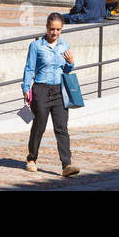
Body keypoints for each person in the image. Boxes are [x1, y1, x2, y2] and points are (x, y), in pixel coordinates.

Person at [21, 13, 79, 177]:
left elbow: (66, 70)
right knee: (39, 126)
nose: (54, 33)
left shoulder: (64, 45)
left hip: (59, 90)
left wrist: (71, 62)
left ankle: (66, 164)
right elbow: (29, 68)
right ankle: (31, 158)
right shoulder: (36, 46)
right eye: (52, 29)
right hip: (41, 89)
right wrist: (26, 88)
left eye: (58, 29)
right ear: (47, 28)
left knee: (62, 128)